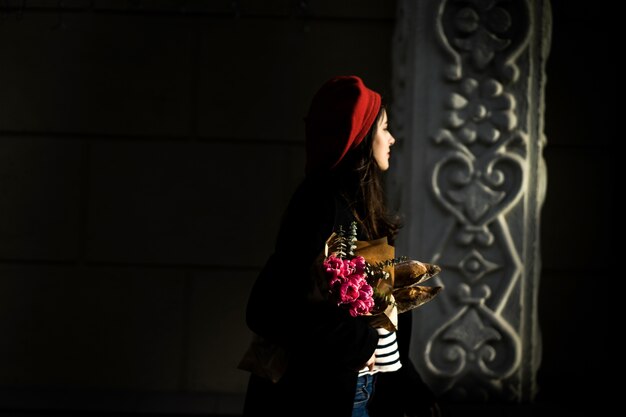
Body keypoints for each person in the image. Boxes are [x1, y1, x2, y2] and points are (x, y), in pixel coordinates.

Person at [241, 75, 440, 417]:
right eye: (385, 128)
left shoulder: (360, 206)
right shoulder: (319, 205)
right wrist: (360, 344)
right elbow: (267, 309)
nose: (391, 139)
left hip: (361, 391)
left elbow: (380, 314)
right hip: (322, 396)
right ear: (362, 137)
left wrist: (412, 387)